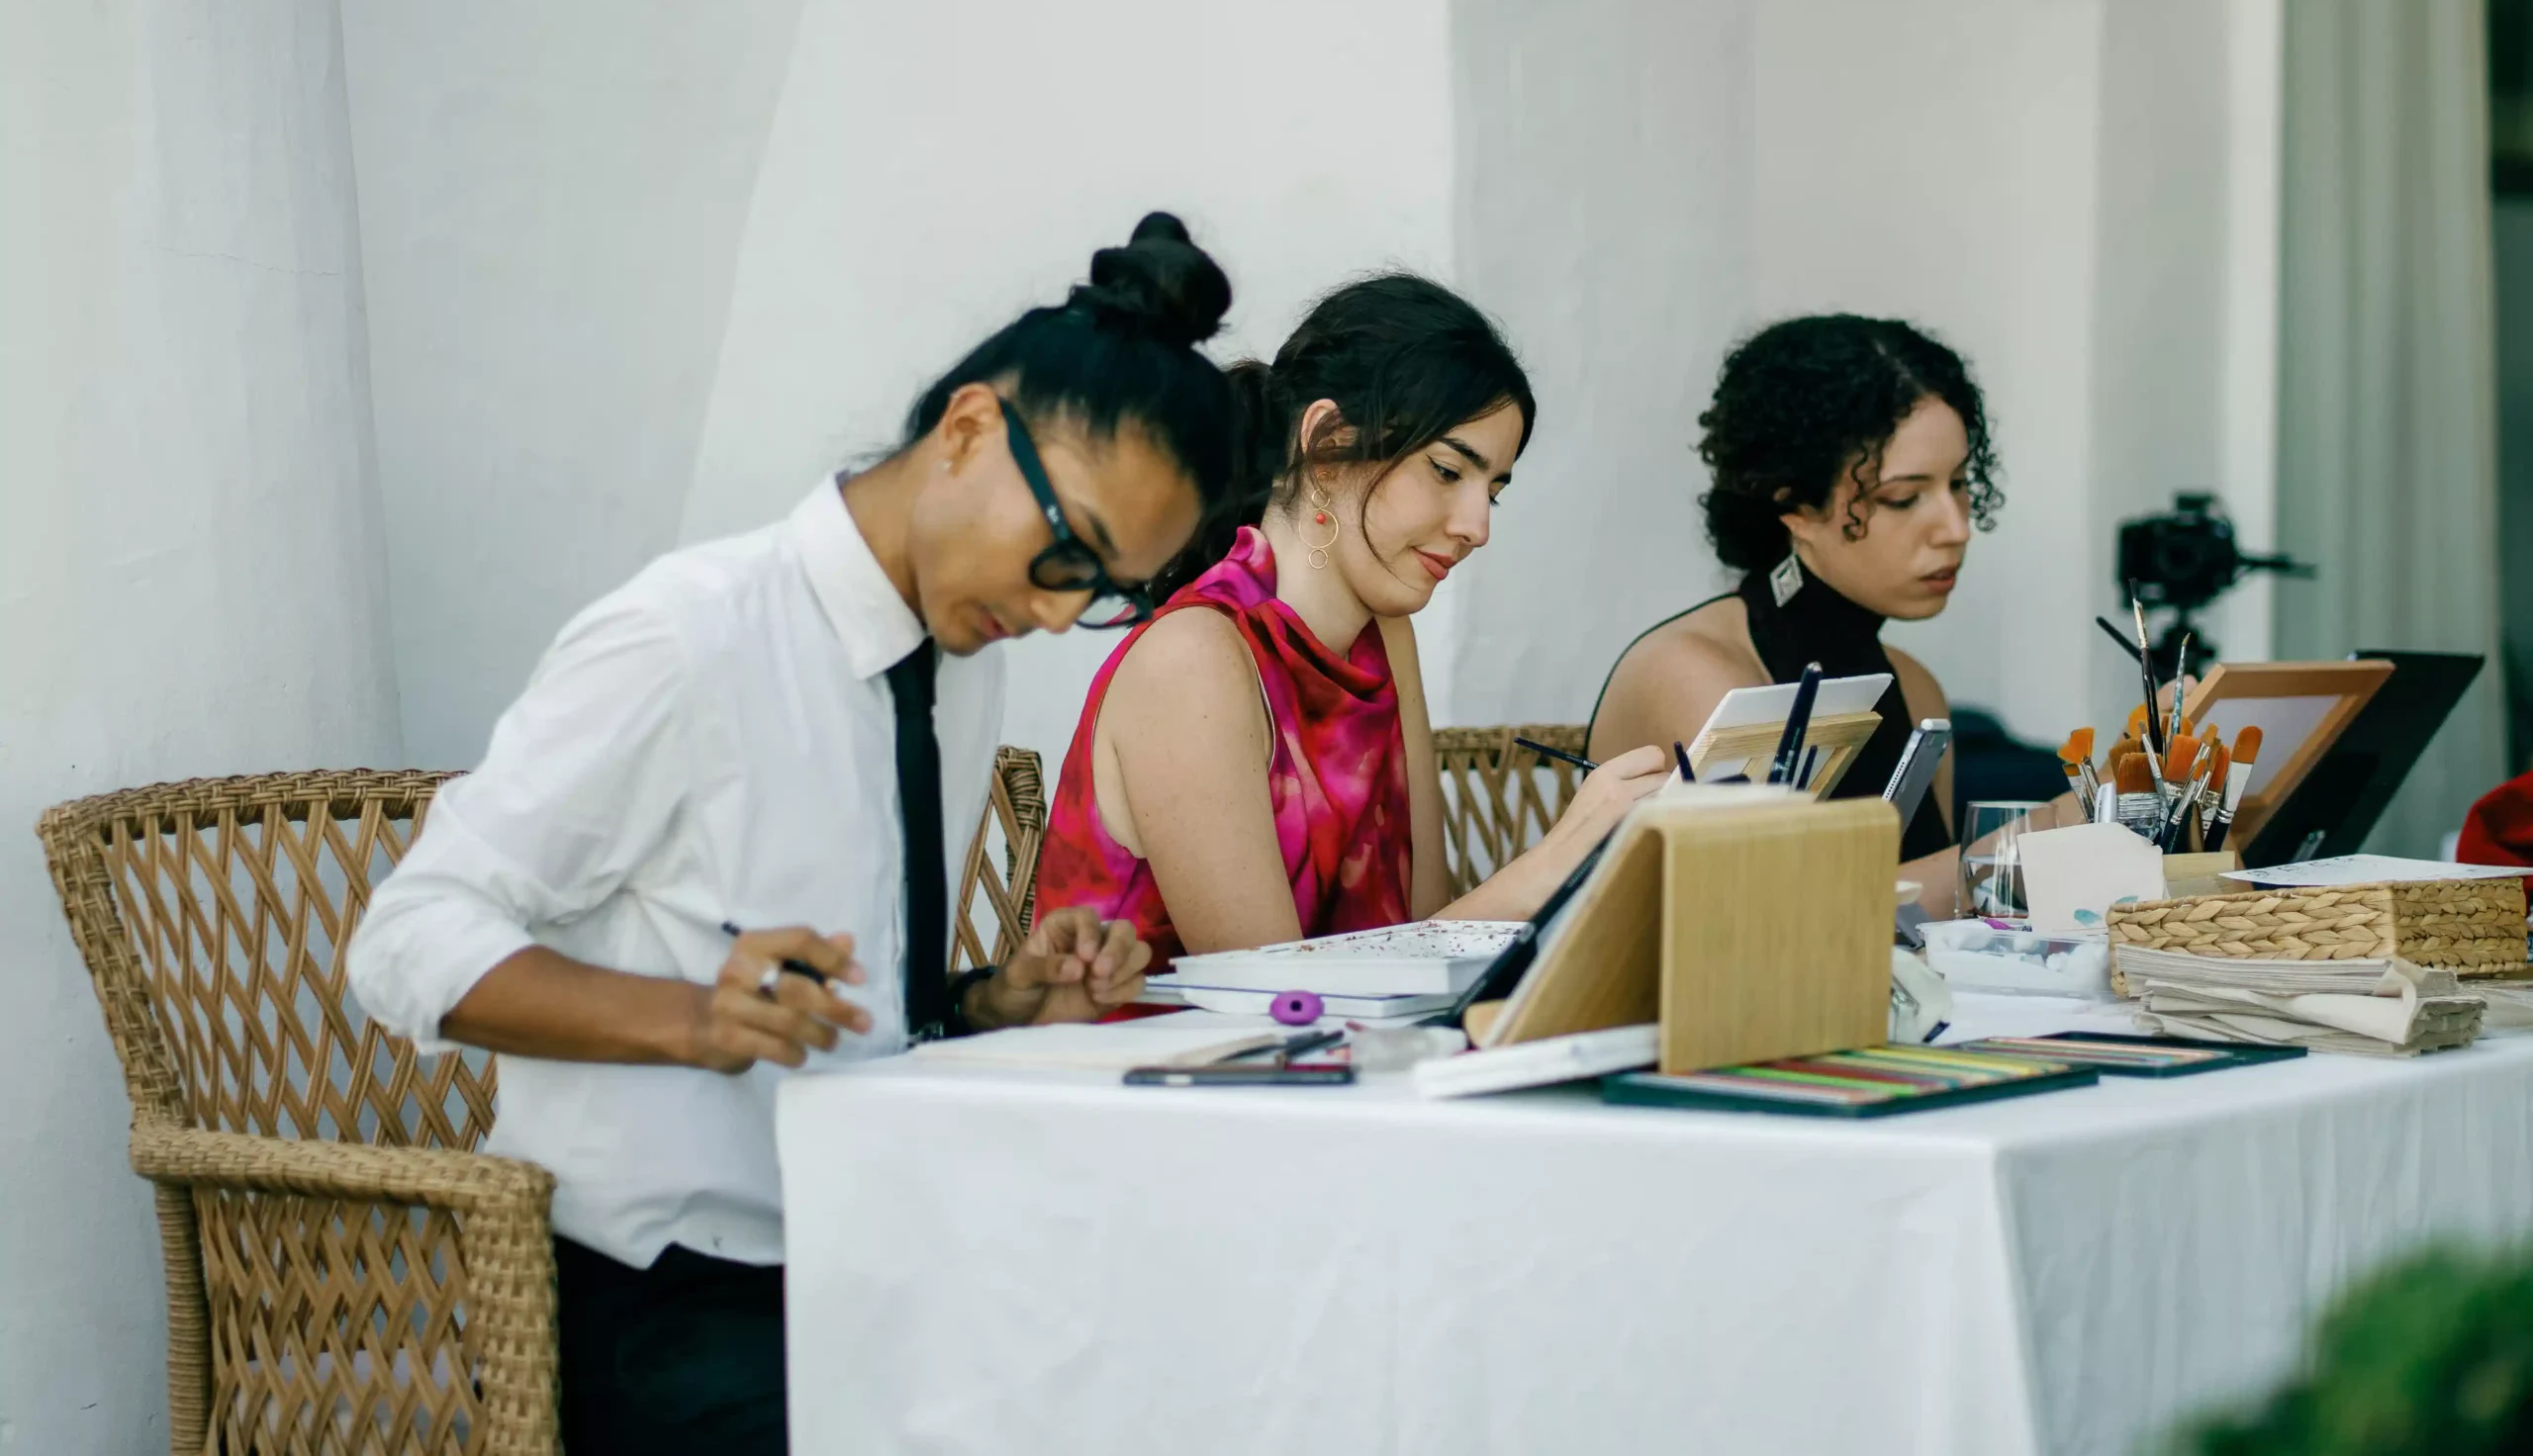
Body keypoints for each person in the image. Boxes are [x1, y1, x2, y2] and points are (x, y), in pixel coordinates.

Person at [346, 213, 1236, 1455]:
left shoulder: (953, 659)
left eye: (1105, 593)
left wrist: (995, 1001)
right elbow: (405, 939)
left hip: (872, 1257)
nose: (1057, 611)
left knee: (1199, 1375)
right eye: (1066, 553)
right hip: (665, 1300)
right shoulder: (687, 636)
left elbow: (857, 1021)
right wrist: (691, 1022)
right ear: (968, 431)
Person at [1032, 273, 1670, 963]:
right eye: (1448, 471)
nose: (1478, 526)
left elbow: (1427, 936)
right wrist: (1551, 868)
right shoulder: (1194, 656)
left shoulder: (1386, 638)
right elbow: (1272, 998)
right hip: (1156, 1067)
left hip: (1369, 1064)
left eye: (1495, 490)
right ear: (1329, 441)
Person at [1587, 315, 2009, 913]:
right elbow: (1782, 923)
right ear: (1795, 505)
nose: (1956, 527)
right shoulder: (1700, 678)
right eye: (1903, 498)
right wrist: (2034, 839)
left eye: (1960, 482)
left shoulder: (1916, 689)